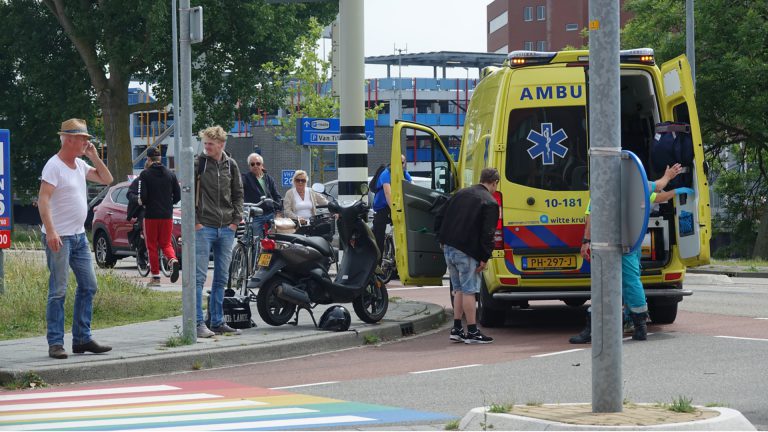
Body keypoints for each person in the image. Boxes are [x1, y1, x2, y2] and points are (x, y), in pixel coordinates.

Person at [570, 163, 686, 344]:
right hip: (631, 242)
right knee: (631, 283)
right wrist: (675, 185)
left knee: (603, 284)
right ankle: (639, 327)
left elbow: (591, 216)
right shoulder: (638, 186)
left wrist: (586, 241)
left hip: (606, 244)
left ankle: (593, 329)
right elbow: (658, 191)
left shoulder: (603, 188)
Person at [37, 118, 114, 359]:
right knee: (58, 290)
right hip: (60, 237)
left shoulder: (80, 165)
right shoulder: (54, 166)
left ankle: (82, 339)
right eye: (83, 139)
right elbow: (43, 200)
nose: (86, 143)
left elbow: (107, 179)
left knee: (89, 285)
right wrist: (51, 231)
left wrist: (93, 156)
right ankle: (56, 343)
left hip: (79, 237)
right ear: (69, 139)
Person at [437, 167, 500, 344]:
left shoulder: (460, 193)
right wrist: (485, 257)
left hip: (449, 247)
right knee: (469, 291)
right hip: (467, 251)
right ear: (494, 183)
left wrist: (441, 238)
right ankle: (472, 331)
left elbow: (440, 214)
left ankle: (457, 328)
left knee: (457, 288)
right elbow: (488, 233)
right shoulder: (490, 202)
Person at [194, 125, 244, 338]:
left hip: (226, 228)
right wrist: (196, 222)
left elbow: (238, 194)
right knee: (198, 277)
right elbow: (186, 192)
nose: (206, 147)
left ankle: (217, 320)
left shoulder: (231, 165)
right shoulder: (199, 164)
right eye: (205, 143)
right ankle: (197, 323)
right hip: (204, 226)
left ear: (221, 145)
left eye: (210, 144)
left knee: (222, 277)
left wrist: (235, 221)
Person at [136, 147, 181, 286]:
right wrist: (168, 203)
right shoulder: (170, 174)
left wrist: (142, 203)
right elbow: (178, 195)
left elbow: (142, 196)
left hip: (151, 215)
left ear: (148, 159)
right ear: (160, 158)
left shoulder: (145, 174)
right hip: (167, 215)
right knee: (166, 243)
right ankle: (172, 259)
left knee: (152, 246)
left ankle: (155, 277)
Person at [371, 154, 412, 260]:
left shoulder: (404, 173)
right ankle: (377, 264)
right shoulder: (386, 174)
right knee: (378, 236)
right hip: (382, 207)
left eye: (402, 162)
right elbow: (388, 193)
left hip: (395, 205)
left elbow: (412, 186)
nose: (401, 165)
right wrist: (394, 210)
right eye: (398, 162)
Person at [241, 153, 281, 240]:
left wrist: (278, 211)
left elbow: (276, 196)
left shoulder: (269, 179)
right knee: (253, 239)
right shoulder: (245, 178)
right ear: (249, 166)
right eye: (252, 164)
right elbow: (238, 184)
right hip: (255, 215)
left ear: (262, 165)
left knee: (277, 237)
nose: (255, 166)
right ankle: (251, 251)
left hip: (270, 213)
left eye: (258, 163)